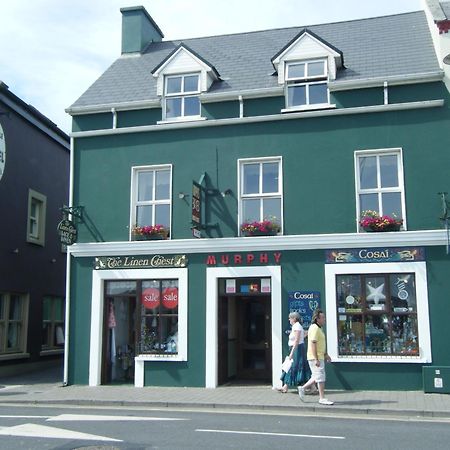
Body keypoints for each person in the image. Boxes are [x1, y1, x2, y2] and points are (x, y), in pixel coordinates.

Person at [298, 309, 334, 405]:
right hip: (315, 357)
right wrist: (316, 359)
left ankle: (302, 388)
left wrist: (325, 354)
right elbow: (313, 343)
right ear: (317, 319)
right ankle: (321, 398)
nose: (324, 319)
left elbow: (320, 344)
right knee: (320, 377)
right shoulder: (314, 328)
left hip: (319, 356)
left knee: (317, 376)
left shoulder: (318, 328)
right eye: (323, 317)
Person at [277, 311, 310, 393]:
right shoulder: (296, 326)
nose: (289, 320)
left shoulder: (297, 327)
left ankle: (285, 387)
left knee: (293, 366)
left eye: (290, 318)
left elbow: (296, 340)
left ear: (294, 319)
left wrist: (292, 353)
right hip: (296, 349)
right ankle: (285, 386)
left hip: (297, 350)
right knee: (292, 366)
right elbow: (303, 335)